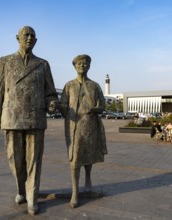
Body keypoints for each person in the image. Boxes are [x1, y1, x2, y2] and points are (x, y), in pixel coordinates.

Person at [0, 26, 58, 215]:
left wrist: (51, 103)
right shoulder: (5, 62)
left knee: (34, 159)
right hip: (11, 117)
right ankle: (21, 189)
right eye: (26, 35)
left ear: (36, 40)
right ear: (17, 37)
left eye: (33, 36)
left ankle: (32, 197)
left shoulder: (42, 64)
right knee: (14, 159)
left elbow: (51, 92)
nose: (29, 38)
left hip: (35, 117)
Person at [59, 54, 107, 208]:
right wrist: (57, 106)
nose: (82, 66)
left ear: (89, 66)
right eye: (79, 63)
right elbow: (63, 106)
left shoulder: (95, 86)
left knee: (88, 154)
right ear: (74, 66)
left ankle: (88, 180)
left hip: (90, 125)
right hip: (73, 126)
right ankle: (75, 192)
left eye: (85, 63)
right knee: (75, 157)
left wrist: (96, 109)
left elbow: (103, 105)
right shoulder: (69, 86)